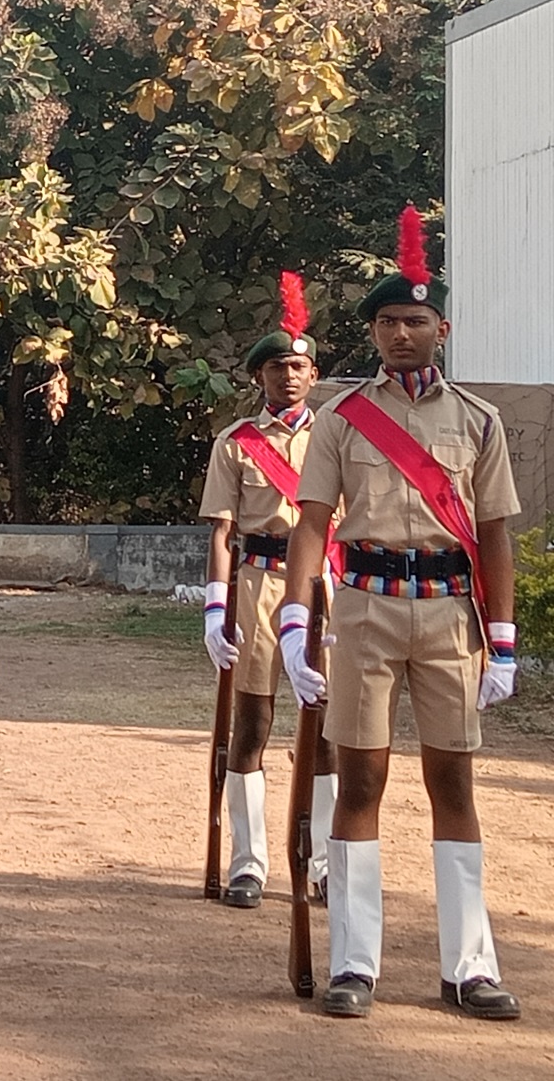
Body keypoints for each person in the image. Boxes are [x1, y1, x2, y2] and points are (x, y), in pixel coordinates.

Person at [281, 206, 522, 1022]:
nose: (399, 334)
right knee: (361, 779)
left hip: (449, 613)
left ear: (441, 326)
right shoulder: (343, 419)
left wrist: (505, 638)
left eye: (414, 320)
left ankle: (469, 964)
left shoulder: (478, 421)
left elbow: (494, 533)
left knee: (453, 779)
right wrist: (292, 617)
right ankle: (355, 960)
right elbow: (314, 521)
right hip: (366, 611)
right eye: (386, 322)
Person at [198, 272, 335, 908]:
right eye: (278, 367)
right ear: (260, 376)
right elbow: (222, 532)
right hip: (255, 581)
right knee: (250, 723)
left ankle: (327, 860)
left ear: (314, 375)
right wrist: (216, 605)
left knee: (329, 726)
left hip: (323, 584)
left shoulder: (337, 439)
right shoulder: (236, 444)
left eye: (299, 367)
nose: (289, 377)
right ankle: (248, 863)